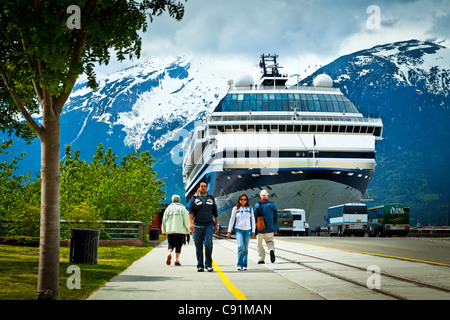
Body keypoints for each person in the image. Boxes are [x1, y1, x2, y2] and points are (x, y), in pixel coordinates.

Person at [188, 181, 219, 272]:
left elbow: (215, 212)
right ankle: (200, 265)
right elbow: (190, 212)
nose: (203, 188)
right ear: (198, 187)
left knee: (208, 244)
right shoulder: (194, 199)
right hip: (197, 225)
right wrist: (191, 223)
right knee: (198, 246)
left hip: (209, 224)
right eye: (202, 186)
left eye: (205, 186)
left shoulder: (211, 198)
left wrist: (216, 224)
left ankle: (209, 265)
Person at [227, 194, 255, 271]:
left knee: (245, 248)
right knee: (240, 247)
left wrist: (253, 230)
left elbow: (253, 219)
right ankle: (239, 264)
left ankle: (244, 264)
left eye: (245, 199)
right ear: (239, 200)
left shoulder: (249, 208)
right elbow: (232, 220)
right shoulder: (235, 209)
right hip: (238, 229)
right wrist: (229, 231)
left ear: (247, 200)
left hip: (247, 230)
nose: (243, 201)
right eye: (241, 199)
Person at [161, 195, 191, 266]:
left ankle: (169, 253)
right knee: (178, 246)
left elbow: (164, 220)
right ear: (179, 201)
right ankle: (177, 260)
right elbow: (186, 221)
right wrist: (188, 230)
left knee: (170, 244)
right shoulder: (183, 209)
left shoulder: (168, 209)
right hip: (180, 231)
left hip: (170, 230)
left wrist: (164, 231)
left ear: (172, 200)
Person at [253, 189, 278, 264]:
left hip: (260, 228)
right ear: (268, 196)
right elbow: (276, 217)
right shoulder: (272, 205)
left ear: (260, 196)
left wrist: (253, 228)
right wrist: (275, 228)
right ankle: (271, 250)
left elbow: (254, 216)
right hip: (270, 228)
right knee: (270, 241)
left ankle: (261, 259)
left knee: (259, 244)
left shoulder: (257, 205)